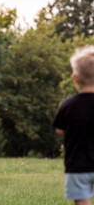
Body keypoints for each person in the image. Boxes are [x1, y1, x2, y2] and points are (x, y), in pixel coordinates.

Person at [52, 45, 94, 205]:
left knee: (82, 200)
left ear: (75, 78)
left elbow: (59, 130)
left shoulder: (68, 104)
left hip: (77, 166)